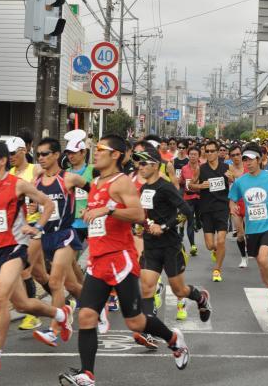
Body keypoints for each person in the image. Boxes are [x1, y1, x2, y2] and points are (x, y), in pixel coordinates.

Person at [59, 135, 189, 385]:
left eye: (100, 149)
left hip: (120, 260)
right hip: (98, 260)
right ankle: (87, 374)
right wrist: (90, 209)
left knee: (135, 321)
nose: (94, 153)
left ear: (115, 154)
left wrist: (107, 210)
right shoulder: (96, 181)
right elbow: (97, 209)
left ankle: (174, 340)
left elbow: (139, 213)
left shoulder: (122, 183)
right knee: (86, 316)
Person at [0, 140, 73, 372]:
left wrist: (38, 228)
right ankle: (61, 313)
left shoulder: (17, 185)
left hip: (15, 247)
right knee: (23, 305)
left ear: (2, 160)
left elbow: (47, 204)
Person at [133, 146, 211, 335]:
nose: (140, 167)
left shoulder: (165, 186)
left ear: (155, 165)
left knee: (179, 290)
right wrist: (141, 223)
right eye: (138, 163)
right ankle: (147, 330)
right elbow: (145, 214)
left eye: (144, 163)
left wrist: (164, 226)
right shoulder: (144, 188)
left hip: (170, 246)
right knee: (147, 287)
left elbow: (186, 212)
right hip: (151, 245)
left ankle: (200, 298)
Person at [31, 138, 88, 347]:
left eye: (45, 154)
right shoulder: (36, 180)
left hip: (65, 235)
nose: (41, 158)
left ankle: (54, 329)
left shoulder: (69, 178)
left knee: (54, 282)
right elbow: (29, 202)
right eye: (39, 154)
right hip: (45, 237)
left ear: (56, 155)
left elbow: (94, 190)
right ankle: (95, 306)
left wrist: (93, 208)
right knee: (72, 284)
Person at [229, 144, 268, 312]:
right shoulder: (241, 181)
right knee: (260, 265)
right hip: (251, 228)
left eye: (250, 159)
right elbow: (232, 198)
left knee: (264, 259)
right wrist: (232, 206)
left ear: (259, 159)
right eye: (245, 160)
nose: (247, 163)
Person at [6, 136, 46, 332]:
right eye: (8, 154)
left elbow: (51, 186)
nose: (10, 157)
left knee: (24, 270)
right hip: (18, 228)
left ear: (23, 151)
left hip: (36, 227)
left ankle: (32, 316)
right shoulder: (10, 173)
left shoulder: (36, 169)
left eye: (13, 153)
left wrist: (37, 203)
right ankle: (64, 301)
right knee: (40, 274)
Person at [190, 141, 231, 282]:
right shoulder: (201, 168)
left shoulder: (226, 167)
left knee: (221, 241)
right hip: (206, 209)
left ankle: (217, 270)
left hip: (222, 208)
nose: (209, 153)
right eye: (207, 151)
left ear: (218, 152)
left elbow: (236, 183)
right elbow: (190, 185)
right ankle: (215, 251)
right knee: (210, 245)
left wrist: (232, 179)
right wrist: (200, 186)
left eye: (212, 151)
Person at [227, 145, 249, 268]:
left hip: (249, 202)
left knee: (251, 232)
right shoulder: (228, 170)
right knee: (240, 234)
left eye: (238, 154)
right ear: (230, 157)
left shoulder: (248, 167)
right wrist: (229, 180)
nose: (236, 157)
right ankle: (243, 258)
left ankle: (250, 247)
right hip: (235, 203)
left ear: (242, 154)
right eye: (233, 155)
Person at [179, 146, 201, 256]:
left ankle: (199, 223)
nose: (192, 156)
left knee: (199, 223)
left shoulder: (203, 167)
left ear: (198, 156)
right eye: (191, 154)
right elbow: (181, 182)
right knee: (190, 222)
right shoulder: (184, 168)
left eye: (195, 154)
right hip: (188, 198)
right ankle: (193, 245)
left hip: (201, 198)